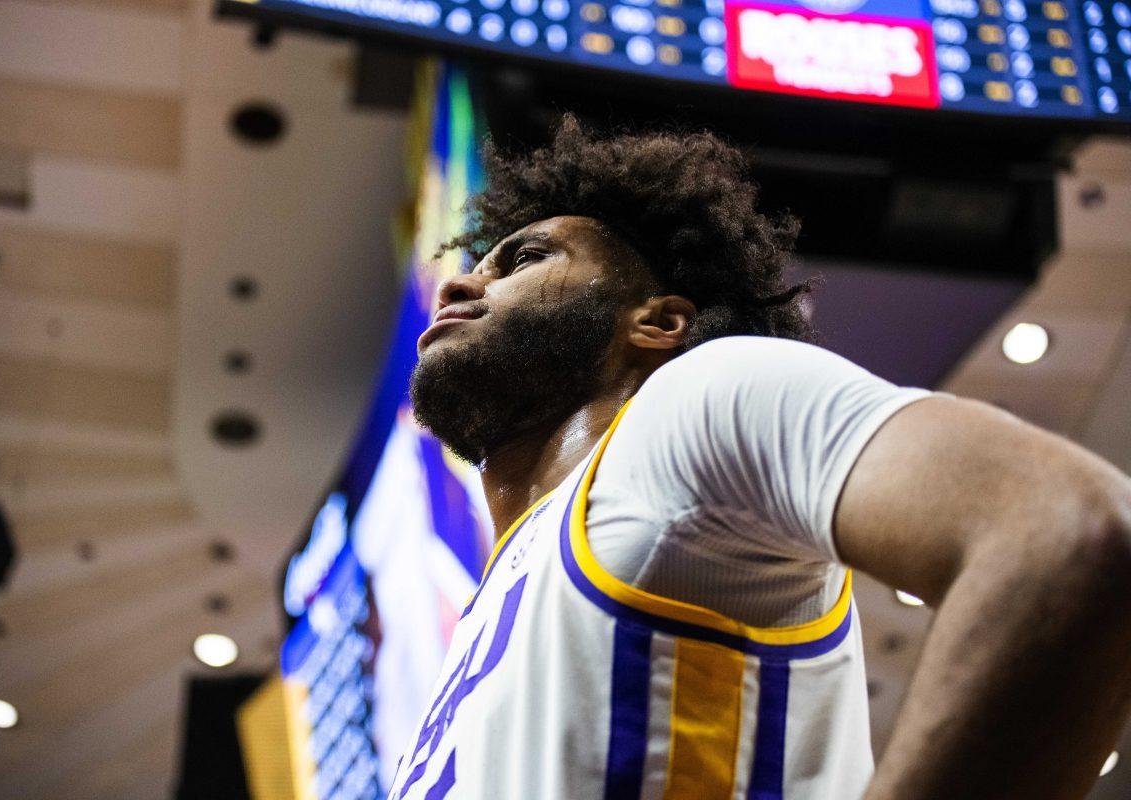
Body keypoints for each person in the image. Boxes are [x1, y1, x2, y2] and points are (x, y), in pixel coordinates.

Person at [391, 115, 1131, 800]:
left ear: (660, 322)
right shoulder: (475, 638)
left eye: (524, 257)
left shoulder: (695, 400)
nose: (459, 282)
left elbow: (1066, 537)